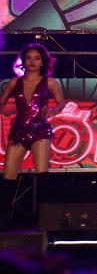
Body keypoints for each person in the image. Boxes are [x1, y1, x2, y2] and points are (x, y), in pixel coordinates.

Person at [0, 43, 65, 227]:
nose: (32, 61)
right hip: (19, 130)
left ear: (43, 62)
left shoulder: (49, 82)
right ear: (23, 61)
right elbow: (2, 101)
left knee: (42, 175)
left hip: (40, 130)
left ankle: (44, 221)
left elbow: (61, 102)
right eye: (28, 58)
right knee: (8, 176)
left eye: (36, 58)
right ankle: (3, 220)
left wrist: (53, 111)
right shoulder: (14, 83)